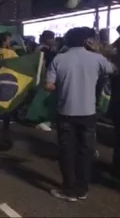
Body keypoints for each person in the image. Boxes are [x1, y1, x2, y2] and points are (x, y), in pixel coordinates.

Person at [45, 27, 115, 201]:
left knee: (67, 151)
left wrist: (63, 86)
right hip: (88, 112)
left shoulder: (59, 59)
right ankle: (82, 189)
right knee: (85, 151)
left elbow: (49, 86)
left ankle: (69, 189)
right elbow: (112, 69)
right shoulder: (97, 59)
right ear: (87, 41)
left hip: (66, 112)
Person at [34, 30, 57, 132]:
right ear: (48, 39)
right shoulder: (43, 49)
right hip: (43, 76)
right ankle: (40, 119)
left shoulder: (42, 48)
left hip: (43, 76)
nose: (54, 40)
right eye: (53, 38)